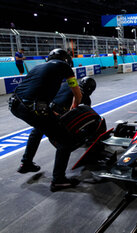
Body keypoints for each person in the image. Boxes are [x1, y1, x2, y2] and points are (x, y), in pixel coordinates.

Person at [9, 48, 83, 192]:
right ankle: (58, 180)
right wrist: (73, 108)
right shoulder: (64, 67)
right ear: (66, 59)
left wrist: (50, 112)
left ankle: (26, 163)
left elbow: (34, 91)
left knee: (38, 128)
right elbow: (77, 94)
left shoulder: (38, 67)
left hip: (15, 104)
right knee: (66, 140)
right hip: (32, 107)